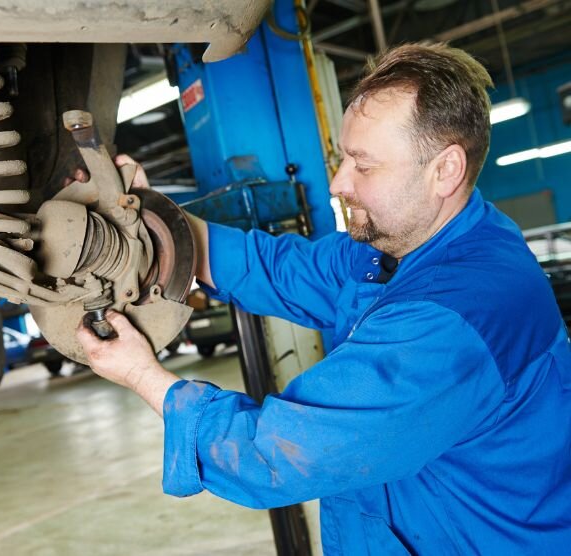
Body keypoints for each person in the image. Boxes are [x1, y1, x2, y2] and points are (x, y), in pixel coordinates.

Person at [76, 43, 571, 554]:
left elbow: (279, 454)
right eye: (341, 157)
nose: (339, 182)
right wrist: (154, 220)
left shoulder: (455, 315)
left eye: (364, 165)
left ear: (444, 170)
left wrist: (142, 375)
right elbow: (272, 268)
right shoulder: (399, 247)